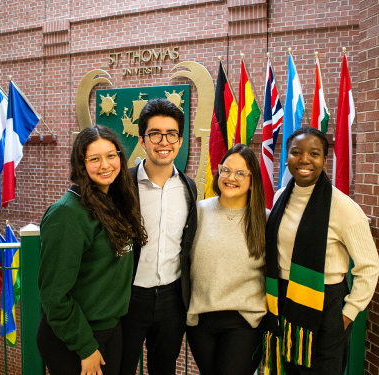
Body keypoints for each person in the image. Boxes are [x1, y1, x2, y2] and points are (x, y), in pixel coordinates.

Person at [263, 127, 379, 375]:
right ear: (287, 157)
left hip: (325, 304)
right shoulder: (282, 196)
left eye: (314, 154)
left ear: (324, 160)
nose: (304, 160)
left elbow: (369, 267)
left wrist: (347, 315)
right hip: (283, 298)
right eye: (296, 152)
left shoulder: (343, 207)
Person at [37, 125, 147, 375]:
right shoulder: (66, 214)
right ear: (81, 163)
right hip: (76, 337)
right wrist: (85, 347)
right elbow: (54, 295)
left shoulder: (113, 201)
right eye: (94, 159)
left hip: (110, 327)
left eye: (111, 155)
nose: (105, 164)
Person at [119, 98, 197, 375]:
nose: (163, 141)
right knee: (119, 368)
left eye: (171, 134)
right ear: (142, 140)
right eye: (155, 134)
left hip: (172, 301)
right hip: (128, 298)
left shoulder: (189, 188)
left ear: (180, 140)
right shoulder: (122, 186)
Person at [186, 144, 268, 375]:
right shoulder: (198, 211)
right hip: (201, 321)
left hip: (244, 322)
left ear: (252, 180)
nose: (231, 178)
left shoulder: (265, 220)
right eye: (226, 170)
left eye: (241, 173)